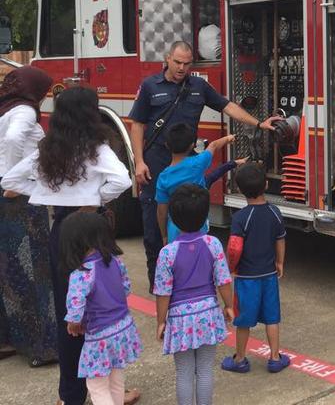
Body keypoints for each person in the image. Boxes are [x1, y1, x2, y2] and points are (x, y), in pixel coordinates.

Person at [1, 86, 138, 405]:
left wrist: (46, 193)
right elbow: (123, 180)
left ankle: (71, 395)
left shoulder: (47, 150)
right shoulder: (98, 148)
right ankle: (107, 389)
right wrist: (93, 200)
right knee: (103, 309)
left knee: (69, 312)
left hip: (62, 230)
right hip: (91, 229)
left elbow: (9, 181)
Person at [130, 41, 281, 292]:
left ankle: (189, 284)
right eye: (177, 62)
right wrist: (139, 161)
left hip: (189, 167)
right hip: (155, 165)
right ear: (167, 59)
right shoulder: (149, 86)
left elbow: (227, 106)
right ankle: (159, 287)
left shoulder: (198, 86)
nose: (182, 68)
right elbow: (137, 124)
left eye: (187, 64)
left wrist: (258, 123)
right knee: (154, 229)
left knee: (192, 229)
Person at [0, 65, 58, 368]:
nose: (45, 96)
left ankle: (11, 337)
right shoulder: (24, 111)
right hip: (20, 198)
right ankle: (42, 346)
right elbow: (13, 140)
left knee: (9, 268)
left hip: (8, 195)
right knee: (34, 269)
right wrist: (12, 179)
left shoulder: (5, 108)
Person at [154, 185, 234, 405]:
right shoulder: (213, 244)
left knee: (184, 372)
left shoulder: (167, 253)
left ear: (173, 217)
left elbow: (163, 292)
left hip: (179, 318)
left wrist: (161, 321)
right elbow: (223, 280)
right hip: (208, 313)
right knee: (206, 369)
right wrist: (229, 305)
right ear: (205, 215)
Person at [61, 212, 142, 405]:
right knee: (116, 379)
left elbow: (75, 304)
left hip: (99, 335)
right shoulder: (115, 261)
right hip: (122, 327)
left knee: (97, 386)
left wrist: (73, 323)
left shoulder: (81, 273)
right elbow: (126, 289)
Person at [221, 163, 289, 374]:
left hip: (246, 278)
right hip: (269, 276)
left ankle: (240, 359)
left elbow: (234, 247)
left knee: (243, 320)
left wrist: (232, 267)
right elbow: (280, 239)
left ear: (240, 190)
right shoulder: (274, 212)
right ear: (266, 184)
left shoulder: (240, 217)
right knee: (272, 317)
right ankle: (275, 358)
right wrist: (280, 262)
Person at [156, 123, 240, 244]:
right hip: (198, 225)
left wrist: (164, 235)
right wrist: (228, 138)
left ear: (167, 145)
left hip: (174, 229)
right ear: (192, 145)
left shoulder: (163, 177)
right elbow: (213, 145)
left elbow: (161, 211)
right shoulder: (198, 163)